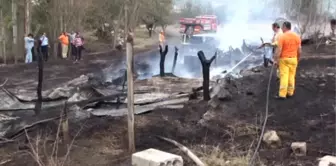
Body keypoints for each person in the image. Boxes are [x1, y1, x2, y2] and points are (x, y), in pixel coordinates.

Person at [274, 21, 301, 99]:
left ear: (285, 27)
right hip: (294, 59)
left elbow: (279, 50)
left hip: (284, 60)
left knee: (284, 76)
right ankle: (290, 92)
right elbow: (299, 50)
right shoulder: (297, 36)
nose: (281, 28)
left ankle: (282, 94)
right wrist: (298, 58)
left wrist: (276, 60)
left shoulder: (282, 37)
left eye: (282, 27)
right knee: (292, 76)